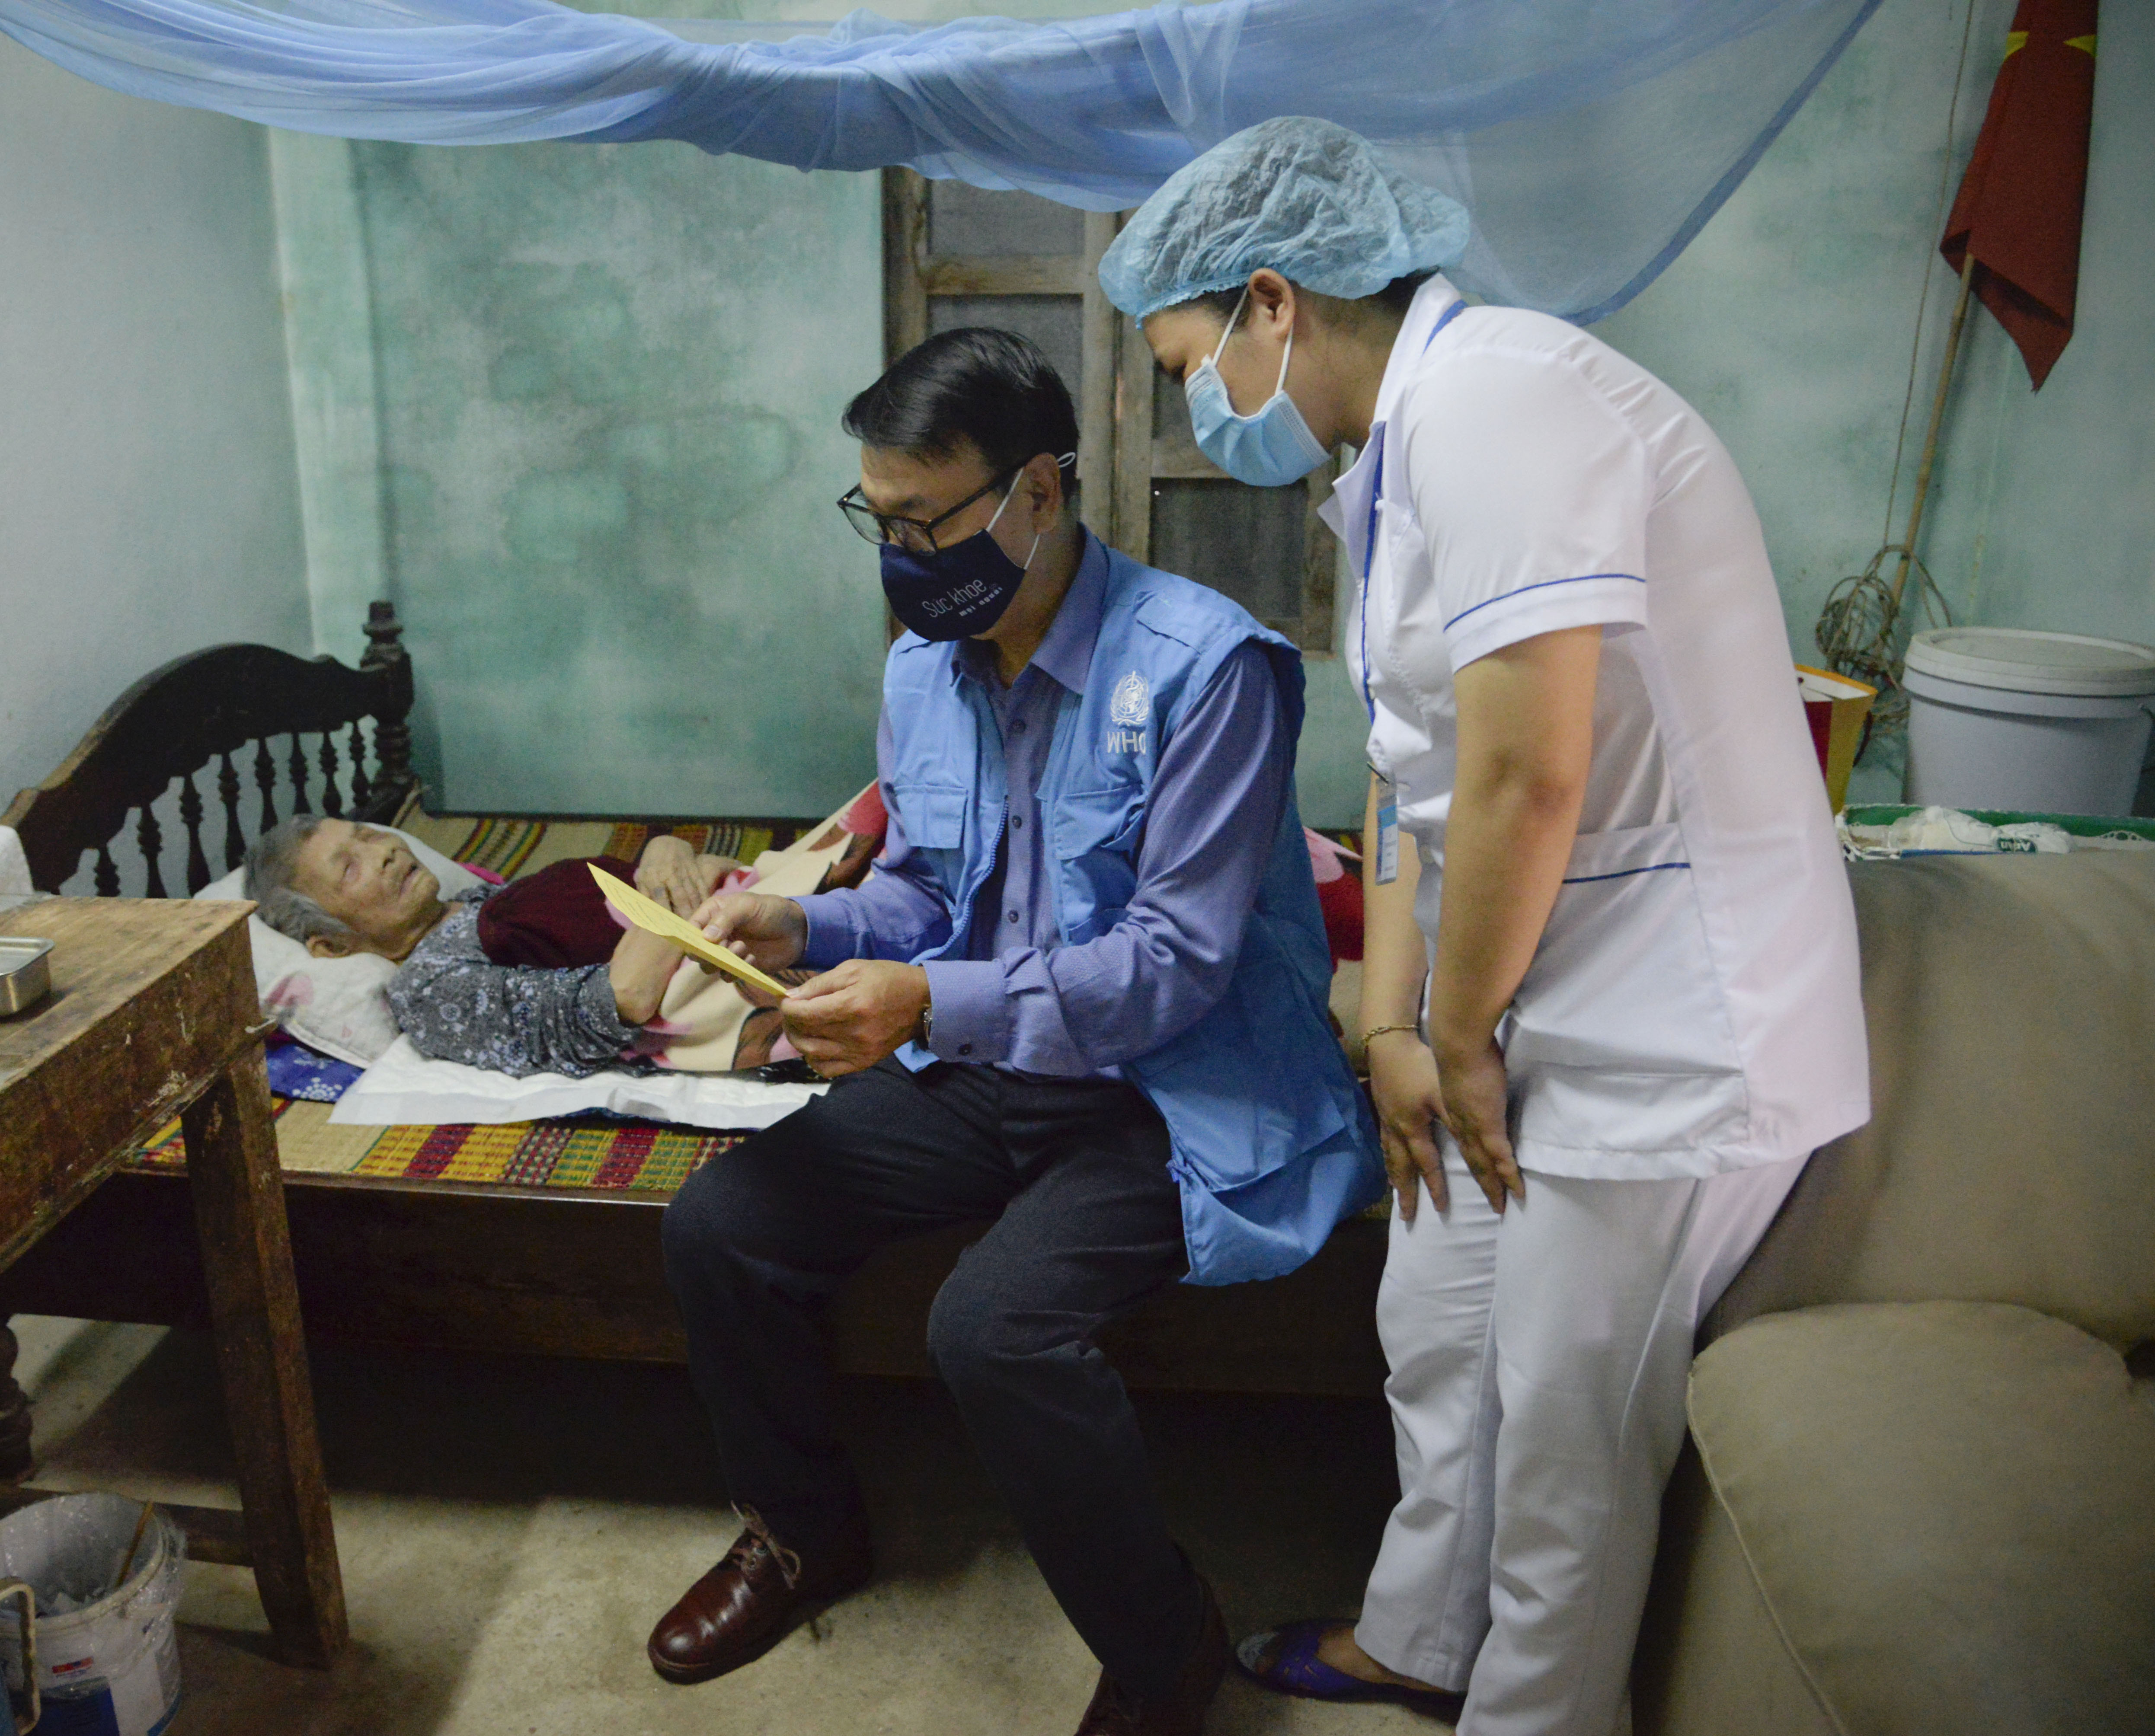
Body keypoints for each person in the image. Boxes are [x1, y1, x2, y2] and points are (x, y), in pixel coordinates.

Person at [1097, 118, 1871, 1734]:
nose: (1193, 407)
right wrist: (1392, 1021)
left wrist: (1449, 1032)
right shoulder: (1389, 466)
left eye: (1186, 365)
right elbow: (1410, 772)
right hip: (1516, 988)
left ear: (1269, 301)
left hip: (1667, 1020)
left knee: (1564, 1427)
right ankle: (1419, 1641)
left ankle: (1533, 1711)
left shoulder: (1501, 401)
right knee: (1435, 1326)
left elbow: (1528, 771)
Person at [649, 329, 1377, 1736]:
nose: (902, 555)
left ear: (1039, 489)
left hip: (1168, 1086)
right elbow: (932, 892)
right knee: (720, 1225)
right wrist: (806, 925)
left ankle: (1163, 1642)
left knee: (993, 1330)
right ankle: (802, 1533)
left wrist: (927, 1001)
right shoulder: (925, 671)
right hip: (991, 1058)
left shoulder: (1207, 670)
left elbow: (1172, 967)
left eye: (927, 520)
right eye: (879, 519)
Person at [242, 815, 734, 1076]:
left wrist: (667, 851)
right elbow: (620, 997)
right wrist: (678, 886)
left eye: (369, 835)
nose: (384, 852)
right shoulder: (426, 987)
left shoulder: (481, 898)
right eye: (350, 868)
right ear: (332, 945)